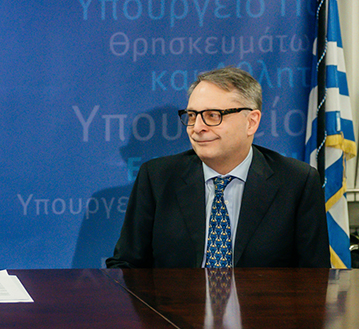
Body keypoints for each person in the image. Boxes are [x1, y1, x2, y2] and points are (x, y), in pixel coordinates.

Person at [107, 66, 329, 268]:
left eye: (213, 116)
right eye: (192, 116)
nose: (197, 127)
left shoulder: (297, 182)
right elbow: (126, 266)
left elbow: (315, 279)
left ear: (251, 122)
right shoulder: (157, 177)